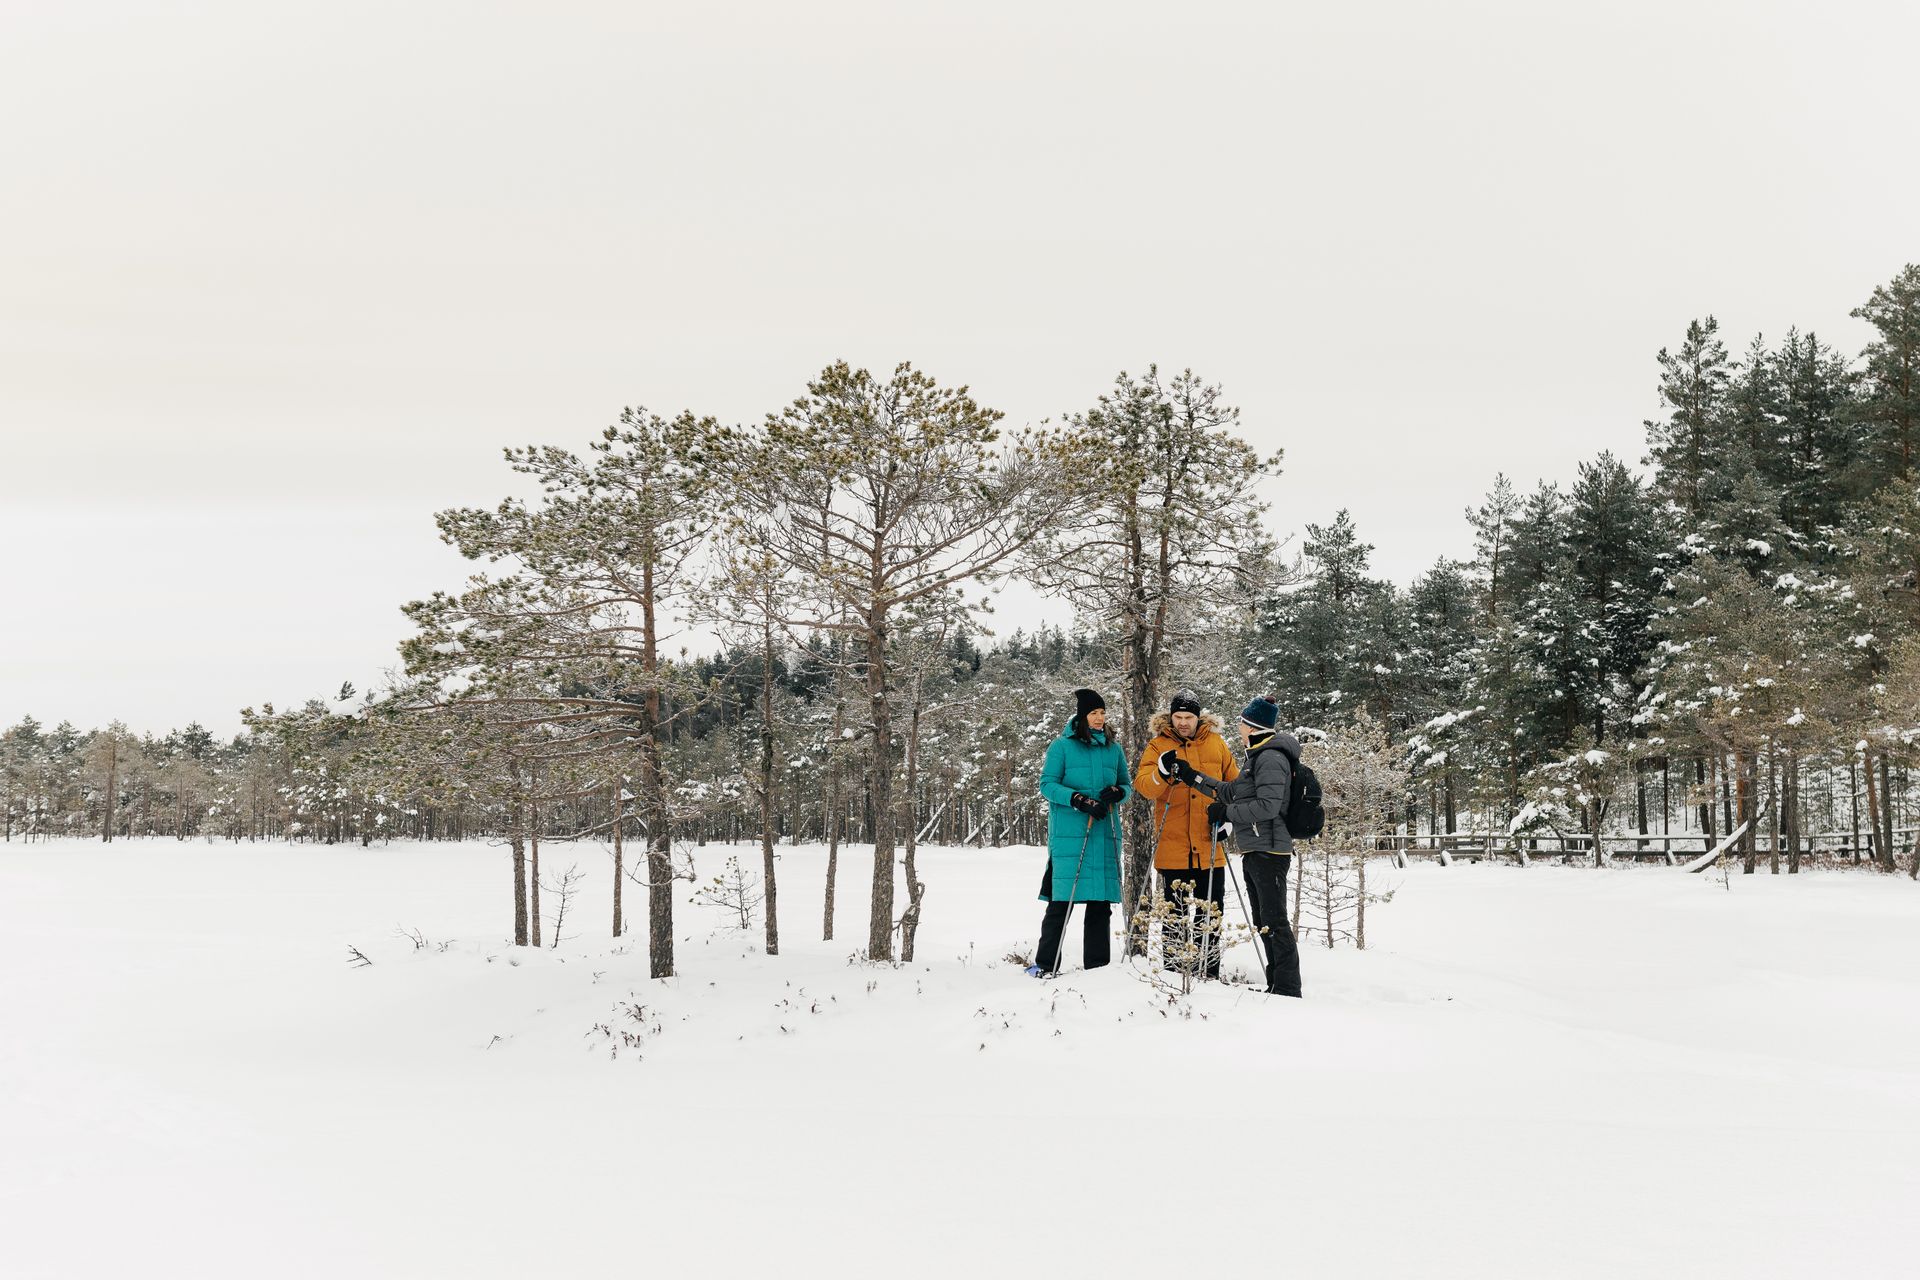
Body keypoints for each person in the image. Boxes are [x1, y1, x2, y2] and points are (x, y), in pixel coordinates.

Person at [1169, 695, 1303, 997]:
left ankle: (1287, 988)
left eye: (1242, 722)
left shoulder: (1270, 757)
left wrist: (1226, 813)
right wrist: (1192, 777)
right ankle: (1276, 984)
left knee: (1274, 920)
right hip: (1257, 847)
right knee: (1263, 920)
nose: (1239, 726)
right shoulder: (1256, 756)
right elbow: (1230, 791)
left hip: (1270, 850)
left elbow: (1268, 806)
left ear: (1252, 726)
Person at [1133, 690, 1240, 979]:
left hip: (1210, 845)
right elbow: (1144, 786)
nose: (1182, 722)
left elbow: (1235, 786)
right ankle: (1174, 973)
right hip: (1173, 846)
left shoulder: (1217, 744)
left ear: (1198, 717)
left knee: (1210, 914)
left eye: (1188, 717)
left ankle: (1209, 973)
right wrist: (1161, 773)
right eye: (1177, 717)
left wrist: (1228, 820)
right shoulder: (1158, 746)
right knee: (1174, 915)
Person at [1029, 688, 1130, 976]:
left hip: (1104, 834)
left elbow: (1127, 785)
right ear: (1082, 716)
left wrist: (1117, 793)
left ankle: (1097, 971)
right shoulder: (1062, 746)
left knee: (1100, 905)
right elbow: (1047, 784)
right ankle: (1045, 965)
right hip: (1070, 835)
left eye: (1102, 713)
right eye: (1094, 713)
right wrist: (1078, 800)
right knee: (1061, 901)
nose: (1099, 718)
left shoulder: (1114, 748)